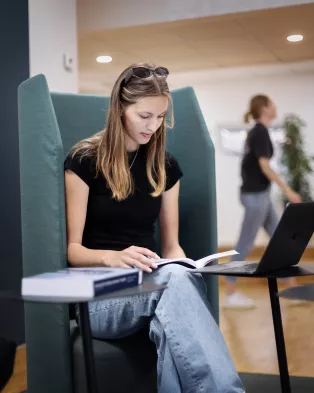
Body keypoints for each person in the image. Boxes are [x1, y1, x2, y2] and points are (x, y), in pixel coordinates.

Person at [64, 62, 245, 393]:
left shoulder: (165, 165)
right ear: (120, 108)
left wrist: (182, 264)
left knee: (172, 305)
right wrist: (113, 258)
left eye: (160, 117)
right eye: (144, 116)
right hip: (98, 295)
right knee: (171, 285)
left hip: (152, 284)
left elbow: (171, 246)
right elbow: (73, 251)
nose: (153, 126)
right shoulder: (84, 161)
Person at [223, 94, 302, 309]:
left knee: (280, 238)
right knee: (245, 242)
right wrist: (288, 190)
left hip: (260, 194)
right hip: (256, 195)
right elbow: (265, 166)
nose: (276, 106)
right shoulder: (259, 131)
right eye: (273, 103)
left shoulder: (258, 132)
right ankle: (230, 293)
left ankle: (292, 288)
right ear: (265, 108)